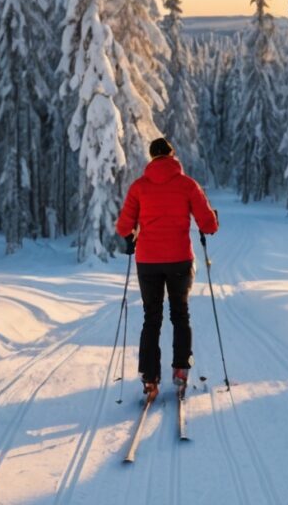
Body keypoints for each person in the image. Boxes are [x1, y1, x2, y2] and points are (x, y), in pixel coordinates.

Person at [115, 137, 218, 397]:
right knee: (180, 315)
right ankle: (181, 370)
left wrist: (132, 235)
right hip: (180, 260)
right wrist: (211, 220)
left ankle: (150, 377)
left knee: (152, 318)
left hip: (148, 262)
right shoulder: (187, 185)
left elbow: (123, 227)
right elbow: (208, 224)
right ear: (172, 156)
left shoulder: (139, 187)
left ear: (152, 158)